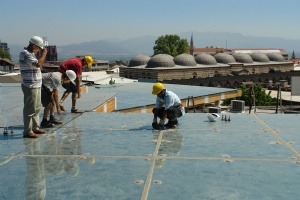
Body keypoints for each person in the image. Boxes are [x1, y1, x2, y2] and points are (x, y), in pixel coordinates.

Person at [20, 36, 47, 138]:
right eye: (38, 48)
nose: (39, 50)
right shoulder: (25, 53)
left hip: (36, 85)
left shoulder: (31, 54)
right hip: (30, 85)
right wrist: (44, 53)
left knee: (36, 108)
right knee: (29, 109)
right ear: (33, 45)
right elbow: (38, 64)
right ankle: (27, 131)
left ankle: (35, 127)